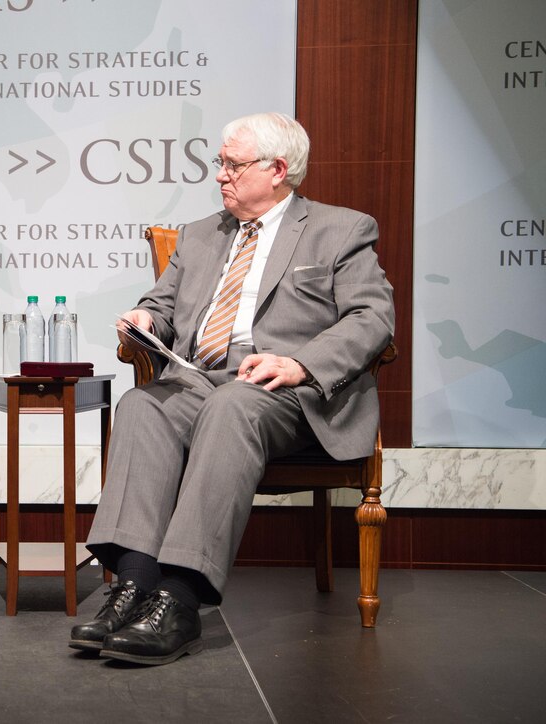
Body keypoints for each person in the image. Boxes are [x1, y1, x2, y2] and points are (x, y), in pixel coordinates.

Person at [69, 112, 394, 665]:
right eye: (219, 162)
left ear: (278, 170)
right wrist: (146, 320)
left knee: (231, 405)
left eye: (232, 164)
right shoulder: (200, 234)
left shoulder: (340, 228)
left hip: (289, 393)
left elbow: (372, 317)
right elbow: (164, 305)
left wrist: (300, 364)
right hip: (200, 379)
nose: (220, 174)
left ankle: (179, 599)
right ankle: (133, 584)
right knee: (142, 405)